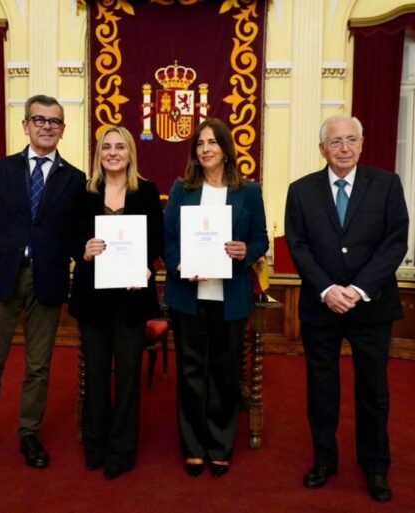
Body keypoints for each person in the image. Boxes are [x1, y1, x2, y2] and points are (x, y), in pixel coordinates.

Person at [0, 95, 86, 474]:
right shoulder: (1, 170)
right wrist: (14, 252)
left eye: (54, 121)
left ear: (63, 130)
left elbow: (75, 234)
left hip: (48, 280)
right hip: (4, 276)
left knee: (38, 366)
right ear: (25, 125)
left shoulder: (74, 180)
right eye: (39, 119)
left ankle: (29, 433)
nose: (46, 126)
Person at [284, 115, 409, 502]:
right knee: (322, 389)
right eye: (335, 142)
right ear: (322, 149)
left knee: (373, 390)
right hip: (321, 307)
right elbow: (298, 245)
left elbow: (395, 242)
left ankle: (375, 467)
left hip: (371, 307)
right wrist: (326, 289)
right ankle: (324, 460)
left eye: (351, 140)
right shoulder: (301, 190)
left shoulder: (387, 184)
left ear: (362, 143)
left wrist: (356, 289)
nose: (344, 148)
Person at [163, 118, 268, 478]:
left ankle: (220, 445)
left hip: (231, 296)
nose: (206, 148)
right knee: (191, 373)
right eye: (200, 143)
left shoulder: (249, 192)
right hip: (188, 295)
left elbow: (260, 241)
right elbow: (167, 238)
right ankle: (192, 446)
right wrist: (178, 265)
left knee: (224, 374)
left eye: (212, 142)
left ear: (225, 148)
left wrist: (245, 250)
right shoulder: (182, 189)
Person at [68, 126, 164, 480]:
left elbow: (156, 238)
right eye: (106, 147)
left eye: (119, 146)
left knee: (127, 376)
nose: (112, 152)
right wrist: (84, 250)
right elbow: (69, 237)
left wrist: (147, 264)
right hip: (92, 298)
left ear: (130, 153)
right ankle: (94, 445)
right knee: (94, 375)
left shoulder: (148, 191)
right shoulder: (83, 192)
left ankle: (122, 450)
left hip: (131, 298)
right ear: (99, 154)